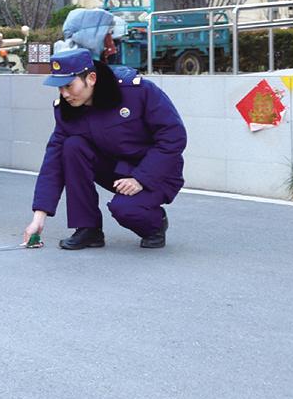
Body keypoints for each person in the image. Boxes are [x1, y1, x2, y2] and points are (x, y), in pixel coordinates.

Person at [23, 47, 187, 250]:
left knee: (126, 210)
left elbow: (173, 136)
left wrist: (141, 178)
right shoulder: (67, 110)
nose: (64, 94)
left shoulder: (137, 92)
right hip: (116, 170)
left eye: (68, 86)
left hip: (156, 171)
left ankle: (155, 224)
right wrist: (39, 217)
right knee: (71, 146)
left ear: (91, 78)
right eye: (59, 88)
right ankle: (88, 229)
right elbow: (53, 162)